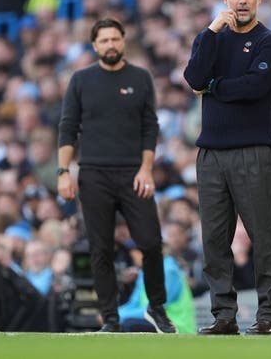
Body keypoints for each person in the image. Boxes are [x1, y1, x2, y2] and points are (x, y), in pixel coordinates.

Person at [183, 0, 271, 335]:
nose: (242, 0)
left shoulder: (270, 42)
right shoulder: (211, 39)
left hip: (253, 151)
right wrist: (210, 31)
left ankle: (268, 317)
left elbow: (254, 87)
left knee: (264, 237)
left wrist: (214, 86)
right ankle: (223, 316)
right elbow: (193, 78)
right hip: (210, 153)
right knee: (213, 239)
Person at [57, 17, 176, 334]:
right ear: (95, 45)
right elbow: (68, 128)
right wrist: (63, 172)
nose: (110, 45)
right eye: (104, 40)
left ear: (123, 41)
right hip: (94, 173)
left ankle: (157, 306)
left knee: (151, 242)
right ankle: (109, 317)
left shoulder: (140, 78)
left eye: (115, 39)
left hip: (133, 172)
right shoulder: (81, 80)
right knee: (100, 248)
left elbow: (150, 127)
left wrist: (146, 168)